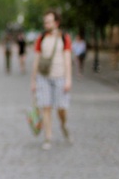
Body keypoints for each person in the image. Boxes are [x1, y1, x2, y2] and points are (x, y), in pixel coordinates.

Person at [30, 9, 72, 150]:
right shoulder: (41, 38)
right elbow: (36, 60)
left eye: (49, 21)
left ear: (56, 22)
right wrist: (33, 81)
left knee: (61, 108)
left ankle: (63, 123)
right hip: (44, 78)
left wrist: (68, 79)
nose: (46, 24)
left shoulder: (64, 37)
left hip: (60, 77)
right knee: (46, 107)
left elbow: (67, 60)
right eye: (45, 21)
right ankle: (48, 137)